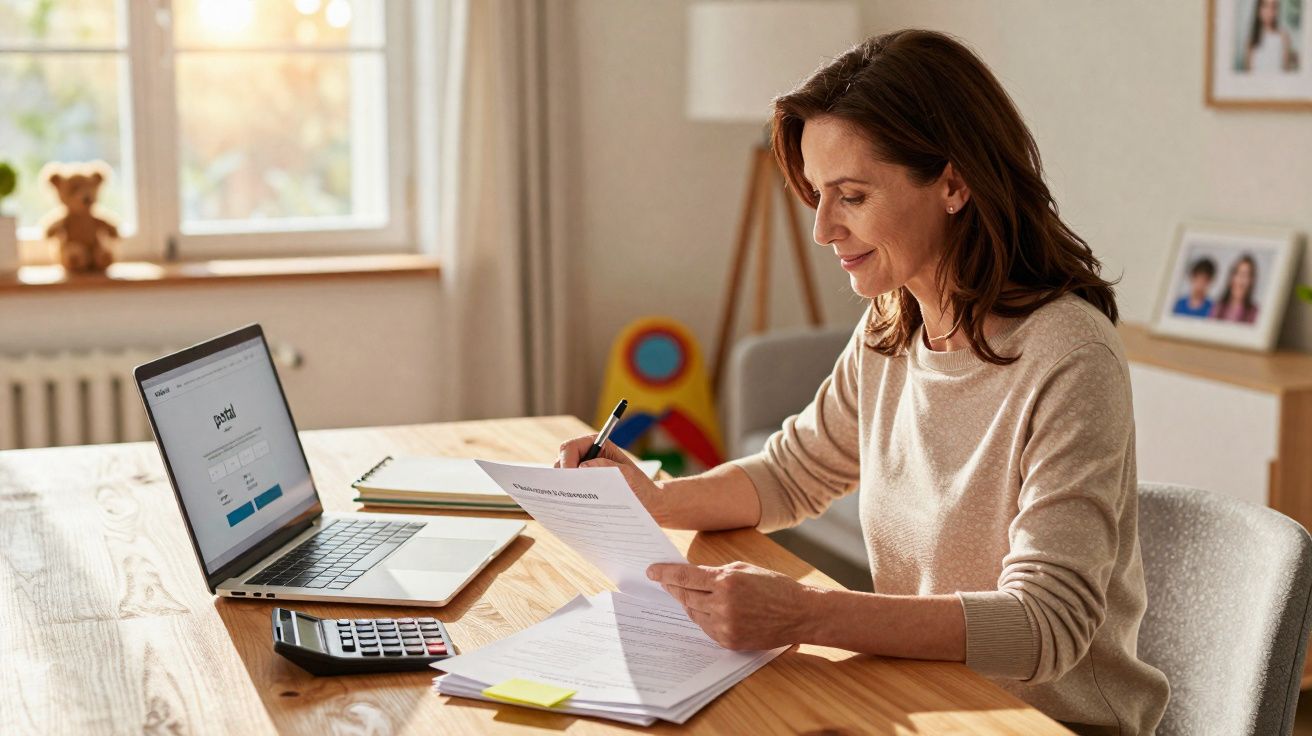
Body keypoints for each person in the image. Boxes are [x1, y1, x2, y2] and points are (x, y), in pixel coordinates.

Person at [559, 30, 1168, 734]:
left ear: (953, 184)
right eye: (819, 195)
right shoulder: (894, 322)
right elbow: (792, 473)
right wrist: (657, 499)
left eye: (851, 195)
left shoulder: (1070, 355)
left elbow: (1047, 625)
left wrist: (808, 613)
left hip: (1042, 723)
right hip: (921, 700)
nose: (823, 229)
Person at [1242, 0, 1298, 73]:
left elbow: (1286, 72)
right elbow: (1248, 73)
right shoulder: (1250, 41)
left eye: (1273, 7)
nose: (1269, 11)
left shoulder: (1284, 37)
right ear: (1258, 9)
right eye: (1265, 6)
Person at [1211, 254, 1260, 323]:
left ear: (1251, 281)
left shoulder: (1255, 313)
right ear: (1231, 278)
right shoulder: (1217, 308)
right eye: (1237, 273)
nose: (1240, 280)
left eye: (1246, 275)